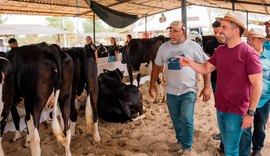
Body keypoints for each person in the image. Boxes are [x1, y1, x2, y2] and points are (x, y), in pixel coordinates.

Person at [176, 11, 263, 156]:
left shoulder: (248, 53)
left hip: (237, 110)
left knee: (231, 149)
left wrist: (251, 113)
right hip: (220, 107)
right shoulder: (220, 51)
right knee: (228, 147)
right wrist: (189, 63)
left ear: (236, 31)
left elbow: (257, 85)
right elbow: (205, 68)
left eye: (224, 27)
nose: (220, 30)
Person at [149, 20, 211, 155]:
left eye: (175, 31)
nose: (171, 33)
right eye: (170, 30)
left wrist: (207, 87)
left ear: (183, 32)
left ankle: (187, 147)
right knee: (175, 118)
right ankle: (180, 141)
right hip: (170, 90)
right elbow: (157, 66)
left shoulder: (193, 46)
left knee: (187, 118)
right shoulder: (164, 48)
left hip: (188, 90)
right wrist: (152, 84)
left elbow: (206, 66)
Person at [239, 28, 270, 156]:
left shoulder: (269, 57)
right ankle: (245, 152)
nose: (249, 42)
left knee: (260, 127)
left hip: (264, 100)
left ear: (261, 40)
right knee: (245, 129)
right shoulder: (243, 55)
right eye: (248, 39)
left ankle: (257, 149)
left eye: (253, 39)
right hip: (245, 100)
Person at [204, 20, 226, 152]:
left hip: (231, 82)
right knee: (220, 108)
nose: (218, 35)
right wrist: (206, 85)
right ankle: (222, 134)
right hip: (215, 80)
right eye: (215, 32)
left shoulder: (231, 42)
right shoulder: (210, 44)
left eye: (220, 31)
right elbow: (206, 63)